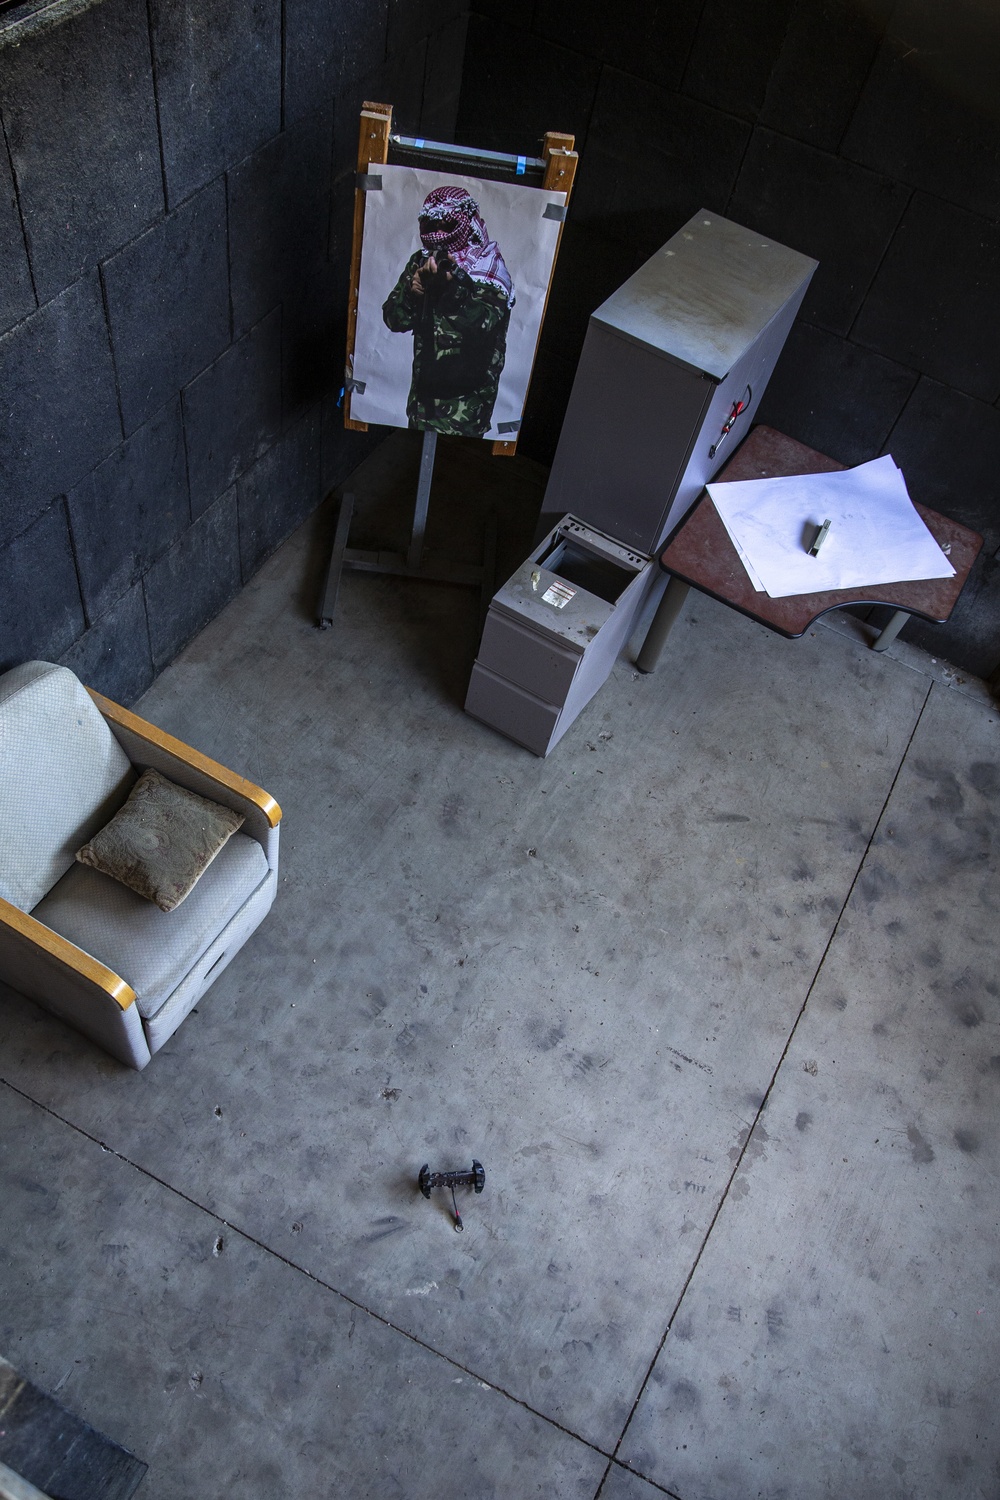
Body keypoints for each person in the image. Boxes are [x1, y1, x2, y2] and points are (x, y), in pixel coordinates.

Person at [382, 185, 515, 438]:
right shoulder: (422, 262)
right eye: (430, 226)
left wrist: (450, 290)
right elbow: (393, 319)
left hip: (465, 414)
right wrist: (413, 293)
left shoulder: (488, 269)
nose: (437, 233)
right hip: (423, 406)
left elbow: (481, 326)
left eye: (447, 224)